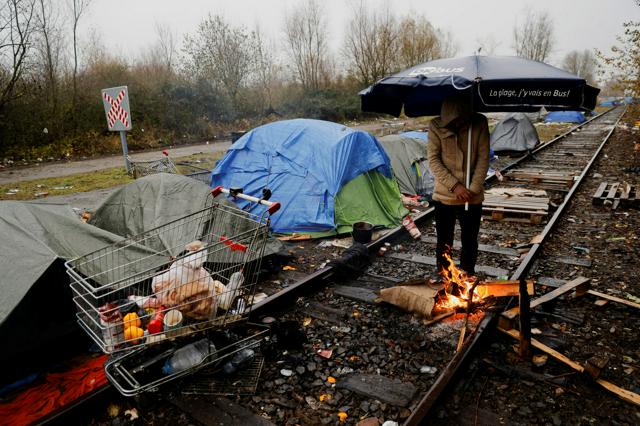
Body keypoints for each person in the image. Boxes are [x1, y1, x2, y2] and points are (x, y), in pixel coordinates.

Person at [427, 96, 489, 276]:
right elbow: (434, 160)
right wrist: (455, 186)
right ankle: (445, 277)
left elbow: (483, 158)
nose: (457, 124)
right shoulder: (436, 126)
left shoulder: (479, 123)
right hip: (445, 195)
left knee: (470, 240)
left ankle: (467, 277)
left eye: (460, 120)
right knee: (444, 241)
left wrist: (473, 188)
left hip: (472, 196)